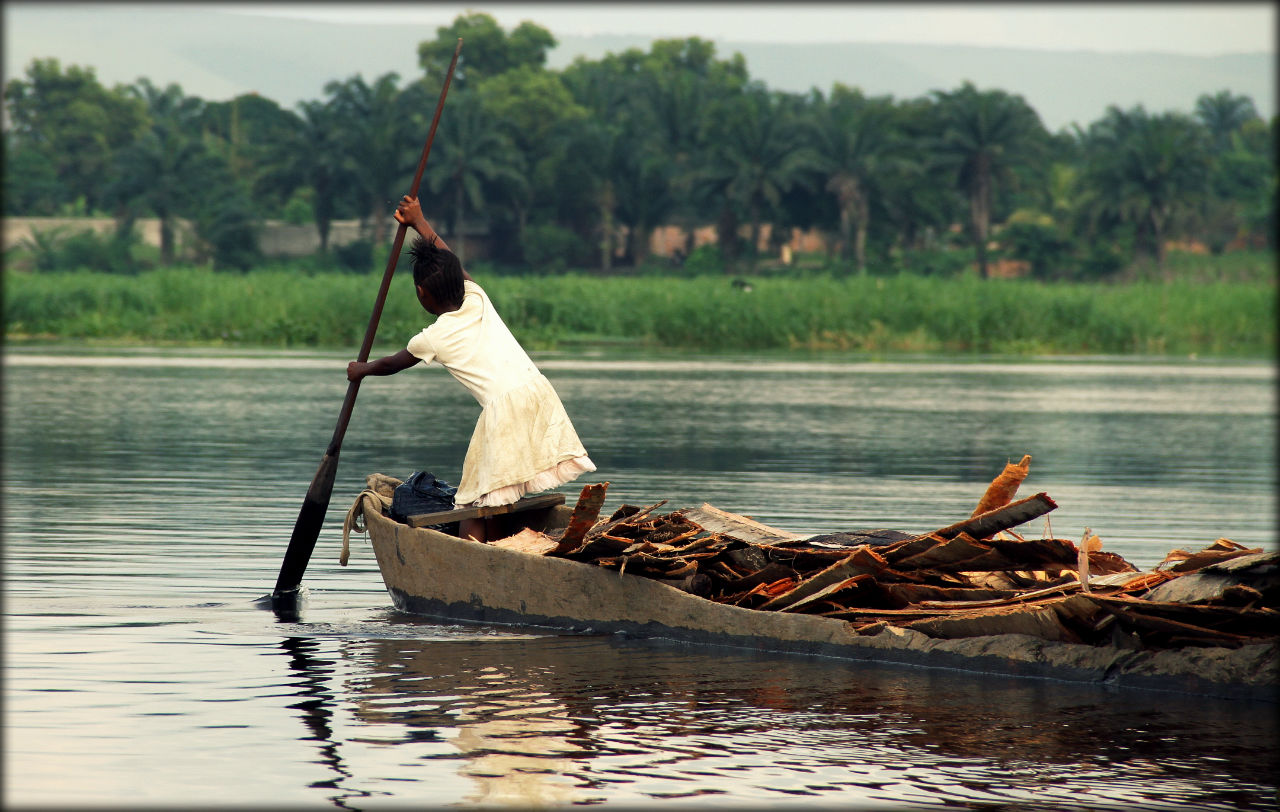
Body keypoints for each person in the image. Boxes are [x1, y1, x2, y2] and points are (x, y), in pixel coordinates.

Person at [347, 195, 596, 543]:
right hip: (538, 393)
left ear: (422, 294)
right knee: (500, 492)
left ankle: (473, 551)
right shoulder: (477, 297)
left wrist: (361, 370)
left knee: (472, 499)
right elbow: (450, 259)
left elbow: (392, 364)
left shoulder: (432, 337)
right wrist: (419, 221)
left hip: (504, 411)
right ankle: (498, 544)